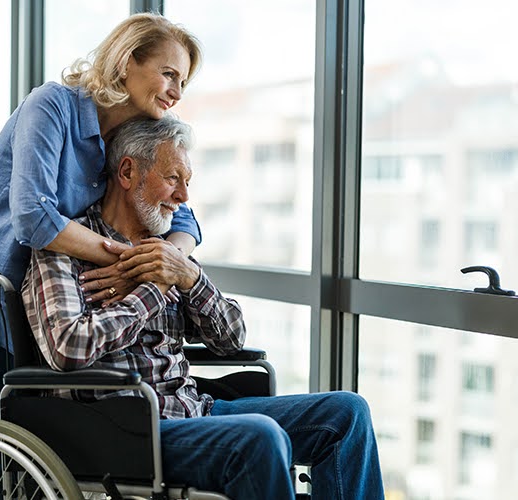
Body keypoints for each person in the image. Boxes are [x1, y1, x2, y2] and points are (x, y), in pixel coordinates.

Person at [0, 13, 204, 498]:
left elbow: (186, 221)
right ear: (127, 61)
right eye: (169, 74)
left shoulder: (134, 135)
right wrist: (127, 261)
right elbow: (33, 217)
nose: (176, 91)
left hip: (37, 301)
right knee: (2, 455)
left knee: (39, 457)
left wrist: (165, 263)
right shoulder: (54, 106)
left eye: (184, 82)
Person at [22, 115, 385, 499]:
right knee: (259, 438)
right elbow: (68, 348)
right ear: (128, 172)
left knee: (347, 413)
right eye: (173, 178)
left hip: (194, 411)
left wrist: (189, 278)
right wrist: (152, 291)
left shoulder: (170, 252)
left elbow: (232, 338)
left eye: (187, 182)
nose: (183, 198)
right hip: (121, 428)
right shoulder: (63, 250)